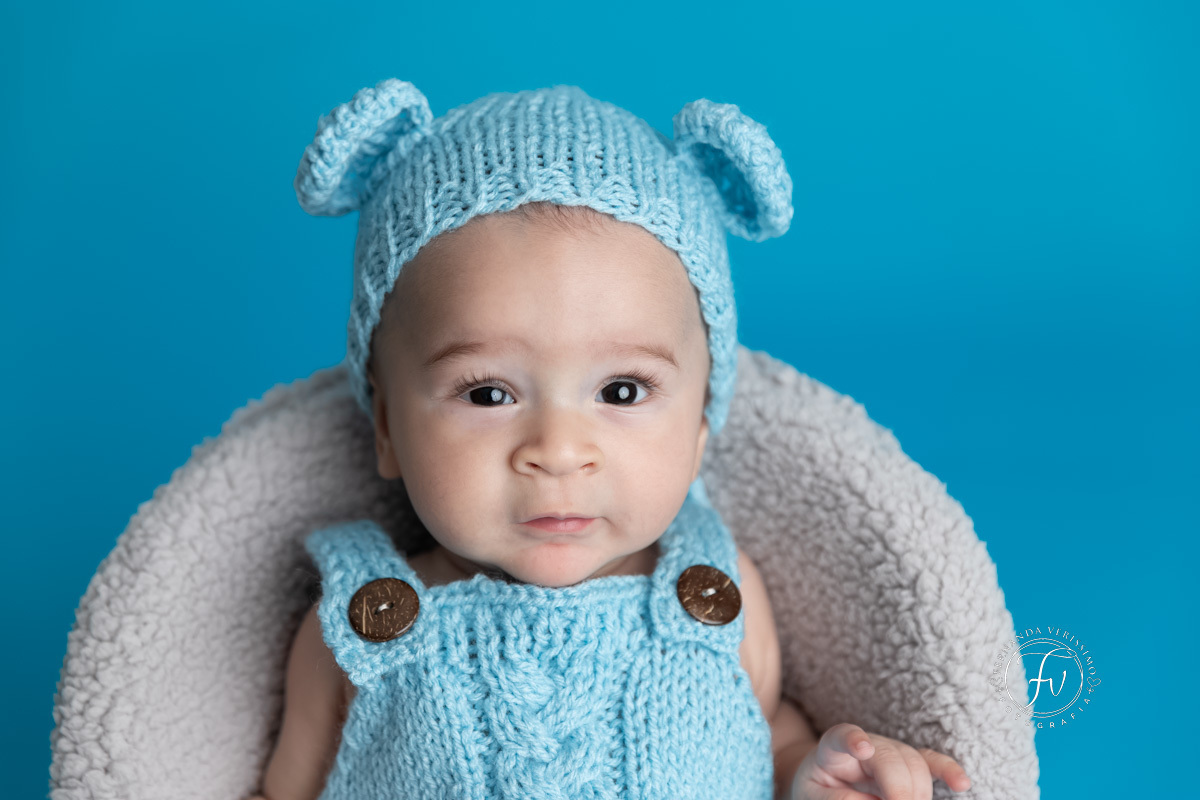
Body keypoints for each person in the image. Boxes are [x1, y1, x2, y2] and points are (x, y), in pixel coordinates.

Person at [249, 78, 973, 800]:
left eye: (621, 392)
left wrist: (815, 777)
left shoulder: (720, 599)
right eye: (488, 393)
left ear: (699, 425)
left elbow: (767, 741)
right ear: (386, 428)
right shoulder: (353, 639)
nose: (559, 451)